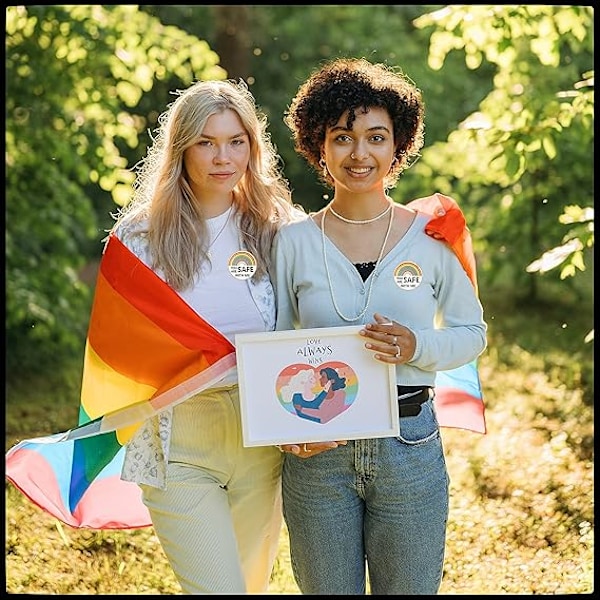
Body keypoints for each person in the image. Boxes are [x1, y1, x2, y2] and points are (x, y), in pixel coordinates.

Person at [272, 57, 487, 594]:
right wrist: (287, 432)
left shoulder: (433, 237)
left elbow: (472, 333)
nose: (359, 153)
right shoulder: (292, 242)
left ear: (398, 145)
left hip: (409, 445)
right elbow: (273, 349)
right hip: (319, 450)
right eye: (342, 137)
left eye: (375, 137)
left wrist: (416, 344)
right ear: (318, 145)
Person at [114, 79, 298, 594]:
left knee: (250, 586)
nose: (224, 157)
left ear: (253, 147)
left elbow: (326, 304)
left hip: (262, 436)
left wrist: (416, 229)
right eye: (206, 142)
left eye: (236, 141)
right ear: (181, 148)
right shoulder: (138, 238)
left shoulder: (281, 228)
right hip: (178, 442)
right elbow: (120, 350)